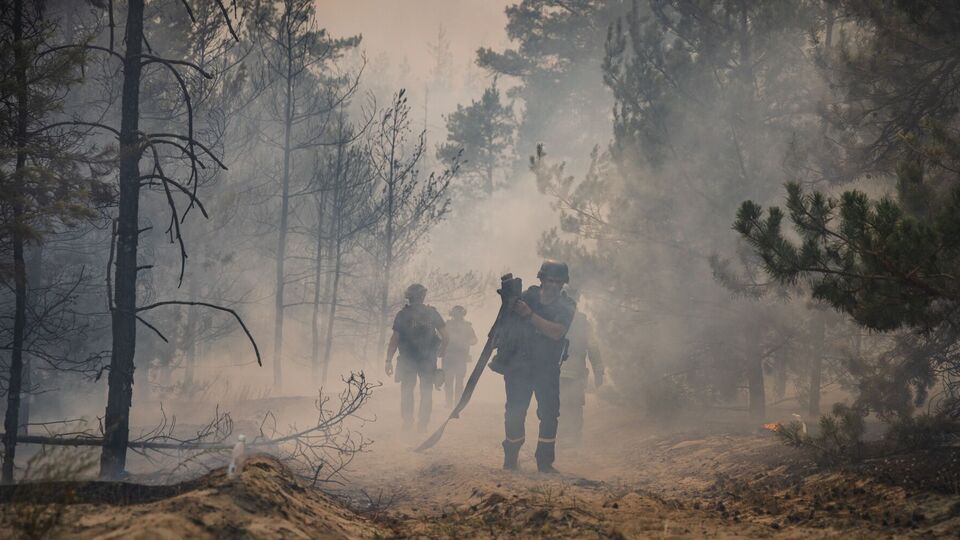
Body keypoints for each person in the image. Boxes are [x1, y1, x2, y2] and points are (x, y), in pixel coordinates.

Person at [500, 260, 576, 473]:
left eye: (558, 282)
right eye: (549, 280)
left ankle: (544, 463)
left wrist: (529, 315)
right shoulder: (526, 297)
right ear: (541, 279)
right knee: (515, 411)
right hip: (519, 366)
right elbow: (506, 324)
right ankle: (511, 456)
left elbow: (556, 332)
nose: (553, 285)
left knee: (550, 414)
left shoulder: (567, 306)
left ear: (563, 284)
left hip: (547, 367)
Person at [385, 283, 447, 432]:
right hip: (428, 359)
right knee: (426, 392)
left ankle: (407, 423)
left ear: (409, 297)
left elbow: (394, 339)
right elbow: (447, 336)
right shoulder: (432, 313)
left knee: (407, 392)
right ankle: (423, 426)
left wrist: (388, 361)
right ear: (423, 296)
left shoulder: (402, 314)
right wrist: (441, 352)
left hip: (407, 359)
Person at [558, 288, 604, 446]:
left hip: (558, 372)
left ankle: (561, 440)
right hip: (575, 372)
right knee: (574, 406)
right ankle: (572, 440)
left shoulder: (555, 318)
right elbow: (593, 347)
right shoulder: (583, 321)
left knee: (559, 406)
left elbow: (592, 346)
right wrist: (599, 371)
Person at [442, 305, 478, 408]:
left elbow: (474, 340)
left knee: (456, 381)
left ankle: (454, 403)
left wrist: (465, 341)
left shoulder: (465, 326)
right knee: (452, 381)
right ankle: (452, 403)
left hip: (457, 357)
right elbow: (441, 337)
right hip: (452, 356)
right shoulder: (448, 325)